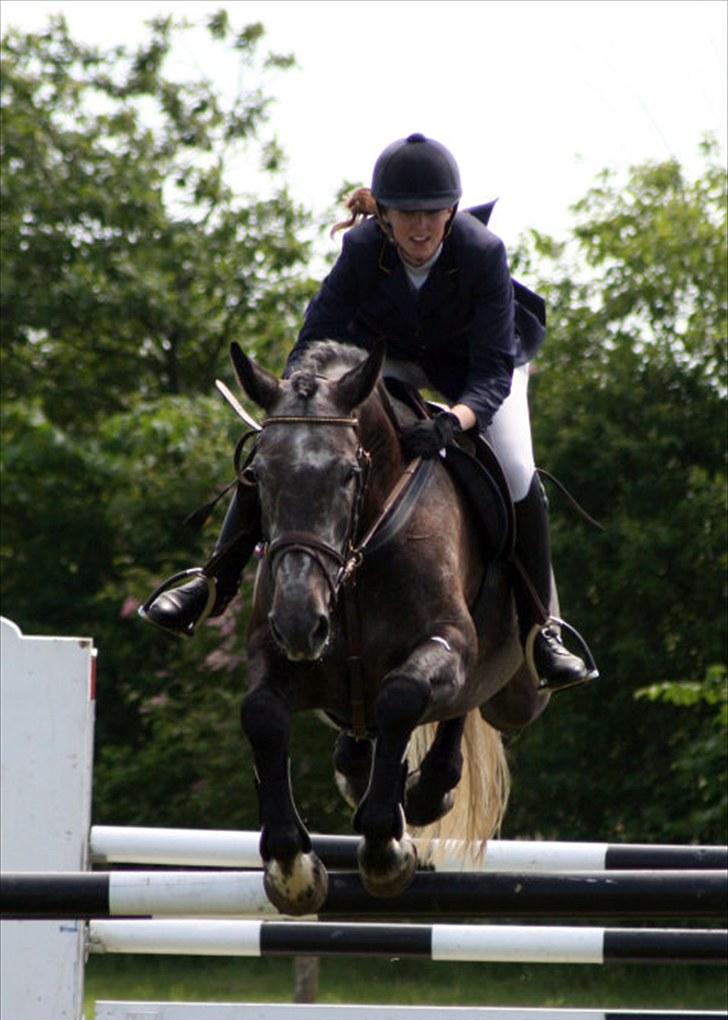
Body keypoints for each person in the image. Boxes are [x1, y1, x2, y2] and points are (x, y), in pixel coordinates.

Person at [141, 133, 596, 693]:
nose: (421, 228)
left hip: (477, 377)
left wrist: (454, 420)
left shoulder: (481, 254)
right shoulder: (362, 251)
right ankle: (213, 582)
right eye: (407, 214)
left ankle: (541, 631)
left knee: (520, 473)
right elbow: (314, 337)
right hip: (391, 366)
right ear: (383, 215)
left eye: (432, 213)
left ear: (451, 211)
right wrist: (297, 406)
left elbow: (492, 373)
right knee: (284, 449)